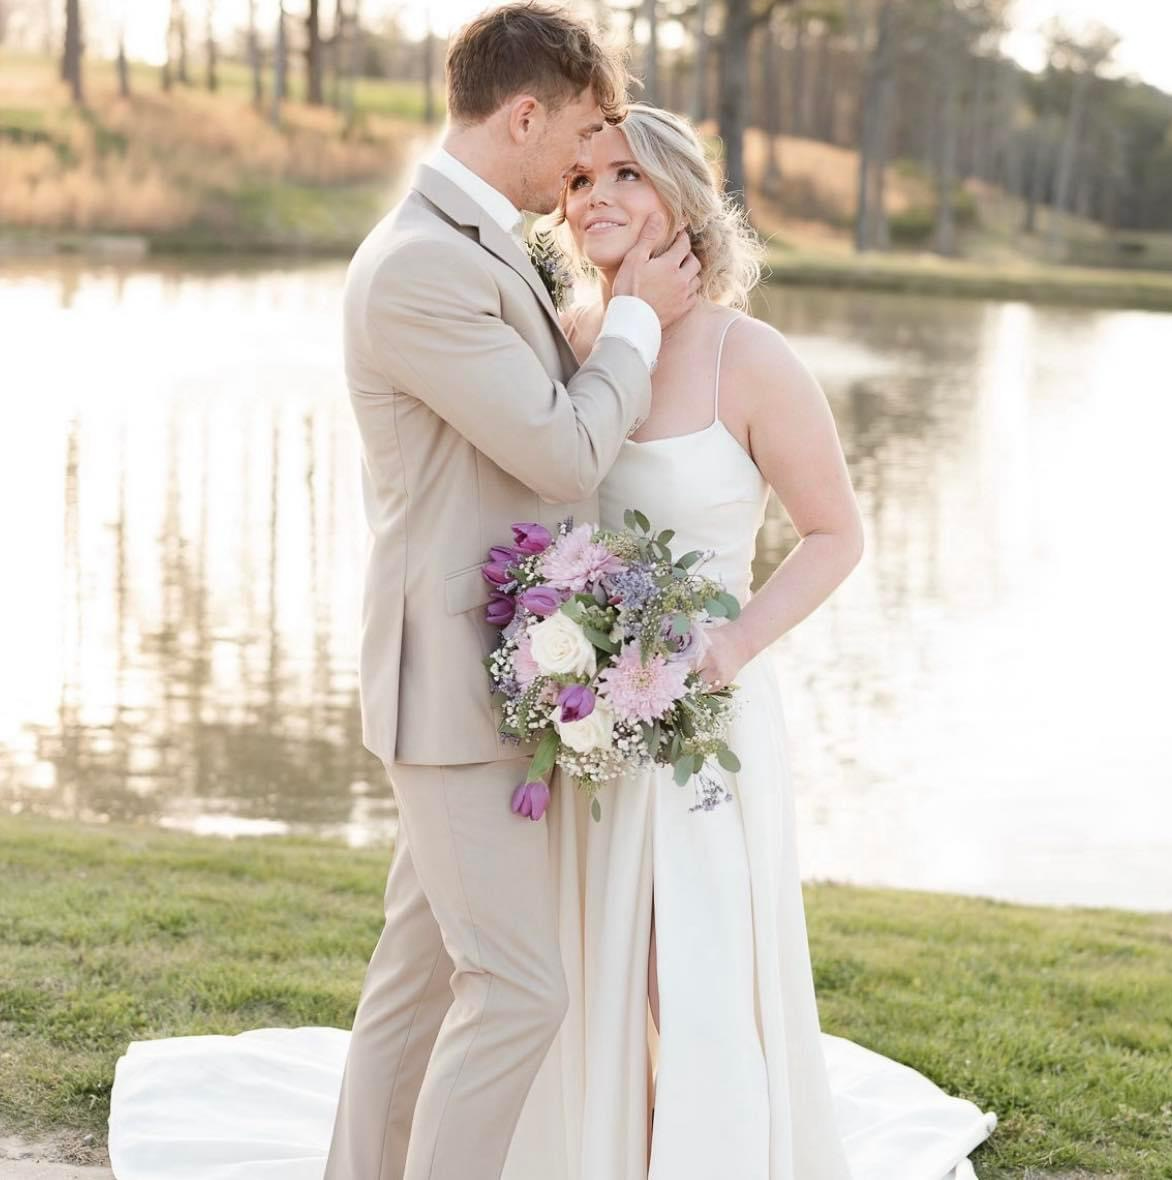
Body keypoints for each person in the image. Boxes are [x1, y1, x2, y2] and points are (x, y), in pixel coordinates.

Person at [107, 7, 699, 1180]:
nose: (583, 166)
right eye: (578, 137)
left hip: (490, 676)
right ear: (523, 114)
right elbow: (561, 452)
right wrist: (637, 319)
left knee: (418, 979)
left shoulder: (478, 245)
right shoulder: (423, 261)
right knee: (522, 986)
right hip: (450, 688)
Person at [497, 104, 998, 1180]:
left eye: (626, 174)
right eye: (580, 181)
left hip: (700, 716)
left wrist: (727, 649)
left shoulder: (748, 356)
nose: (598, 200)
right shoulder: (576, 344)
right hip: (584, 719)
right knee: (599, 967)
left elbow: (836, 534)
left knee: (699, 967)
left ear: (682, 197)